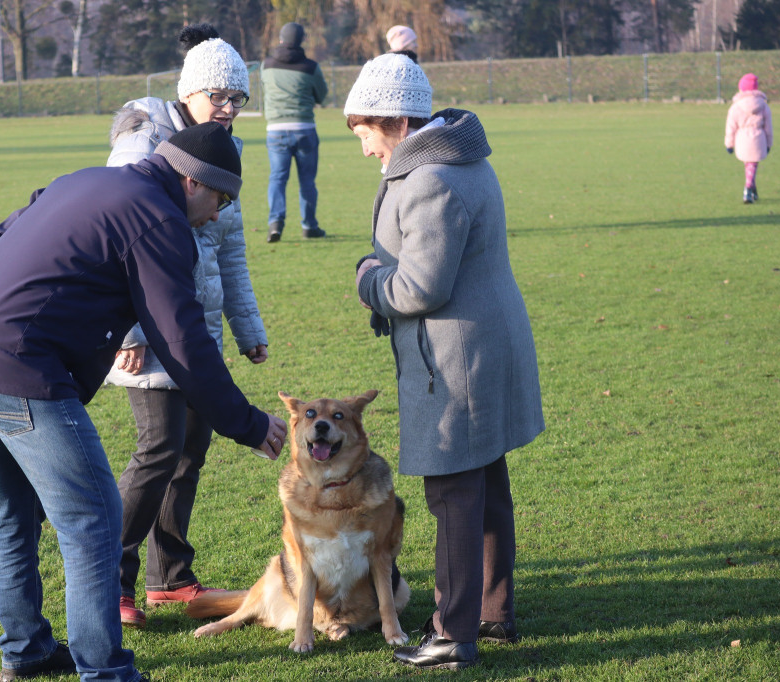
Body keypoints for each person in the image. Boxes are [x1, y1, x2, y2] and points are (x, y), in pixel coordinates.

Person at [0, 122, 288, 682]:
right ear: (193, 183)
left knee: (11, 515)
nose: (217, 215)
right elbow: (183, 344)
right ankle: (104, 671)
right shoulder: (160, 221)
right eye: (220, 199)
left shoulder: (84, 180)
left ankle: (26, 653)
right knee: (95, 521)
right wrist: (246, 423)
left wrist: (2, 325)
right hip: (18, 370)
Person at [344, 53, 545, 670]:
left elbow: (418, 290)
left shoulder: (431, 178)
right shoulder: (465, 159)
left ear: (396, 121)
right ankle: (492, 611)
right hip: (486, 346)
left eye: (365, 132)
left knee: (455, 494)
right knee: (486, 486)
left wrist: (367, 279)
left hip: (456, 360)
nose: (364, 149)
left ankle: (453, 634)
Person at [103, 24, 268, 629]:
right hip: (147, 331)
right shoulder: (145, 140)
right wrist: (129, 335)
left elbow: (231, 247)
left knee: (189, 452)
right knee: (158, 450)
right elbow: (114, 235)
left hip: (196, 329)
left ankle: (169, 578)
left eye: (237, 99)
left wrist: (246, 326)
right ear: (189, 92)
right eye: (217, 96)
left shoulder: (229, 147)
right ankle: (109, 582)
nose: (227, 109)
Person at [260, 21, 329, 242]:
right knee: (307, 180)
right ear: (302, 41)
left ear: (280, 39)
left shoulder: (267, 65)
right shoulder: (311, 67)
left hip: (276, 130)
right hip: (304, 129)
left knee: (277, 178)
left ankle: (275, 224)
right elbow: (321, 96)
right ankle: (309, 225)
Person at [725, 72, 772, 205]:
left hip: (742, 138)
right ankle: (751, 188)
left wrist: (729, 144)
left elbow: (731, 127)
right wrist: (769, 143)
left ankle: (750, 189)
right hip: (758, 138)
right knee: (752, 163)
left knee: (749, 163)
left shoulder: (735, 107)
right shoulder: (764, 106)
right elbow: (768, 127)